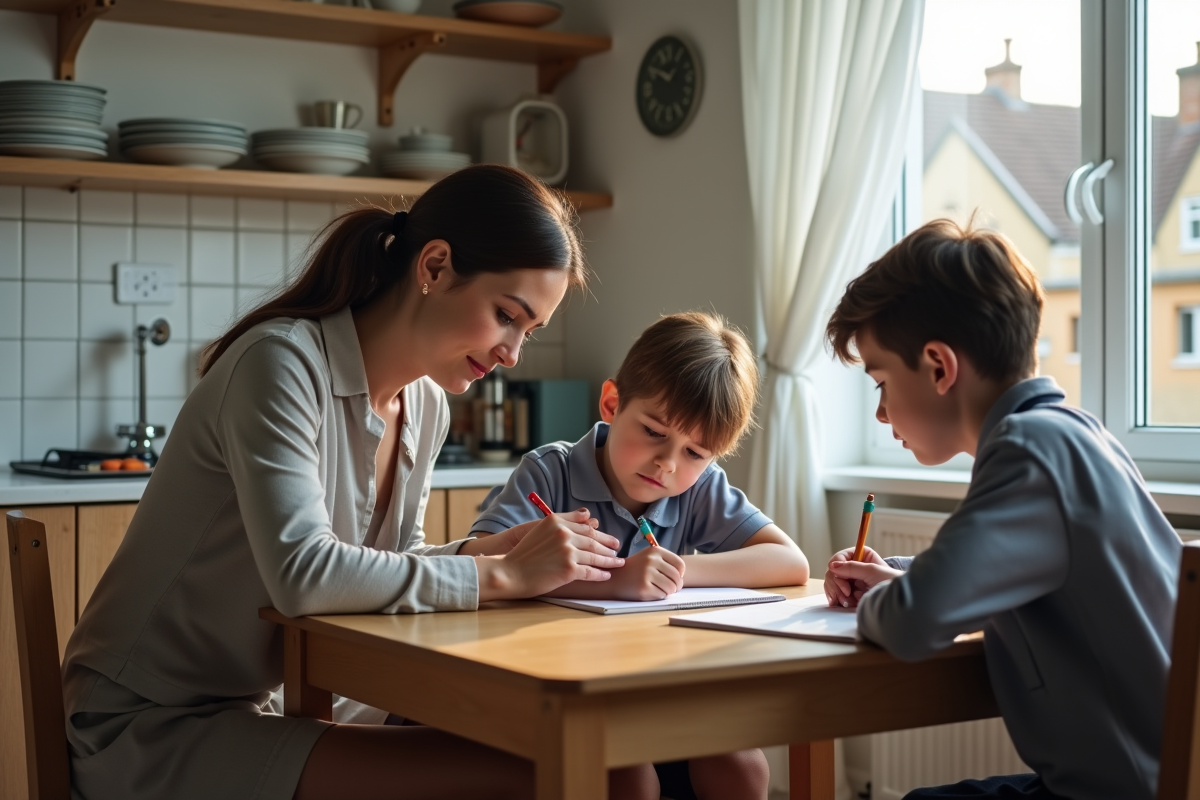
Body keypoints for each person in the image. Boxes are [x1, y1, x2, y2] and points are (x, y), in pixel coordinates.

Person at [60, 165, 631, 800]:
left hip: (276, 703)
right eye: (506, 315)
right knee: (539, 774)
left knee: (609, 765)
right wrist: (505, 577)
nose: (511, 354)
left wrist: (484, 552)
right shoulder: (280, 364)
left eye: (529, 331)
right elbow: (304, 576)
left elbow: (391, 564)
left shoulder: (427, 404)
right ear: (435, 266)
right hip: (155, 724)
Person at [821, 219, 1181, 800]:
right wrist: (900, 576)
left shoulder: (1027, 453)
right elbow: (1028, 576)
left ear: (939, 367)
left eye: (881, 382)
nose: (883, 414)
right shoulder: (1072, 435)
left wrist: (888, 601)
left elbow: (913, 624)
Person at [471, 311, 811, 800]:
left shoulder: (699, 489)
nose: (668, 463)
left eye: (696, 453)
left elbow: (788, 562)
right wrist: (617, 580)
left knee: (743, 767)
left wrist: (674, 573)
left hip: (655, 694)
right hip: (555, 697)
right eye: (653, 432)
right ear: (612, 403)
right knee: (627, 780)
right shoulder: (549, 473)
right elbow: (478, 567)